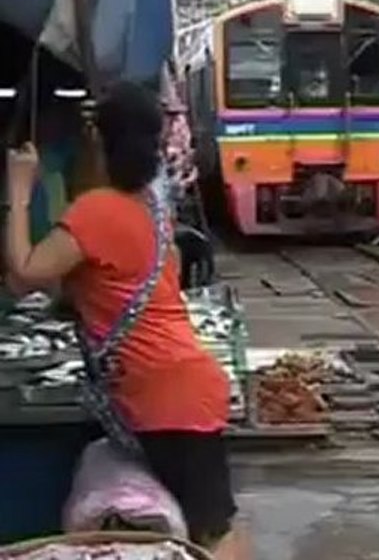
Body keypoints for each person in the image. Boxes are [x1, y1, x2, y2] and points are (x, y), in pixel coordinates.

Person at [4, 82, 239, 556]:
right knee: (206, 524)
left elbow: (22, 275)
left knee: (213, 534)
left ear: (99, 142)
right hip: (183, 383)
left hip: (169, 395)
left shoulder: (95, 212)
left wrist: (18, 190)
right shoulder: (151, 211)